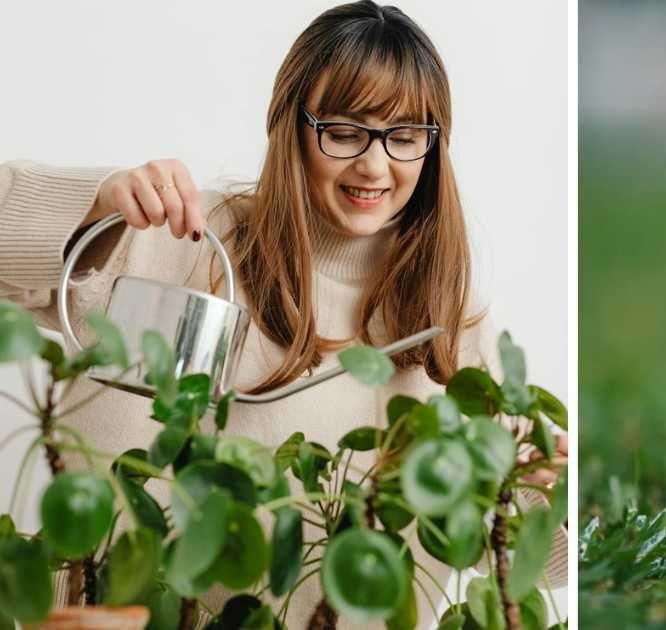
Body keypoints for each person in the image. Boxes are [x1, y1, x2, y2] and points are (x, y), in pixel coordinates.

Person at [0, 1, 566, 627]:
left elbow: (543, 565)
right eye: (345, 131)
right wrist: (90, 206)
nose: (375, 166)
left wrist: (548, 493)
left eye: (405, 137)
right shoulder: (182, 241)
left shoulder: (454, 331)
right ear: (290, 125)